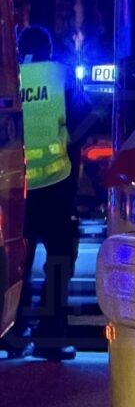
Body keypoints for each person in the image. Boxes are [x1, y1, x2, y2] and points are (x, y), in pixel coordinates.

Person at [2, 26, 81, 361]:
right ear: (48, 49)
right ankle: (50, 337)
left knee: (18, 261)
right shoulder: (60, 75)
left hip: (15, 187)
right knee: (59, 261)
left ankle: (13, 333)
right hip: (56, 185)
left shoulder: (9, 77)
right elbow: (84, 120)